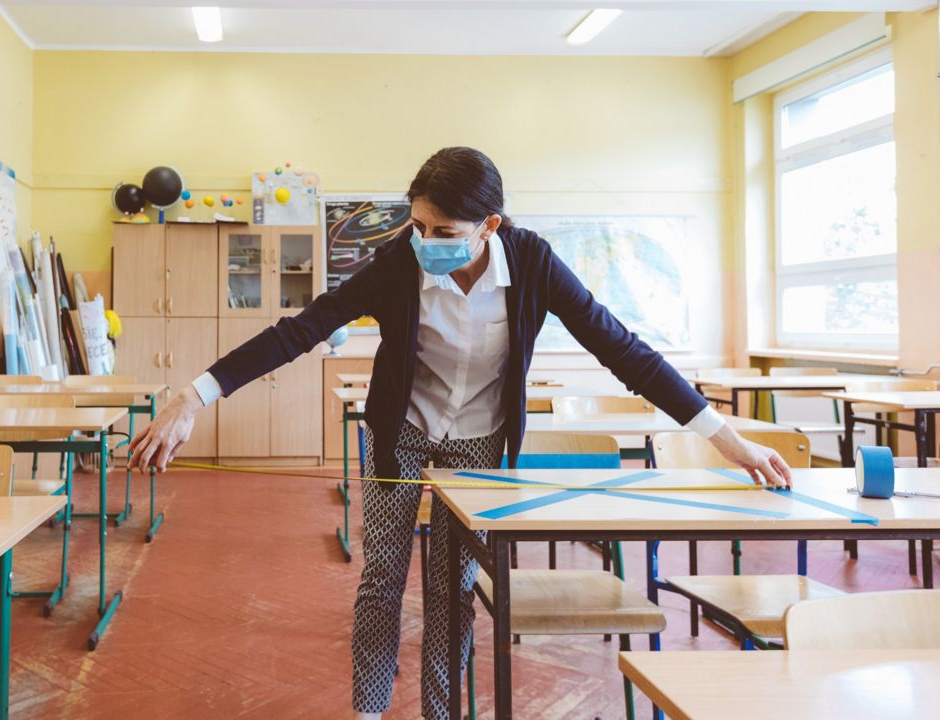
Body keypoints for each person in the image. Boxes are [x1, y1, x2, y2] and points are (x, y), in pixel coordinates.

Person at [129, 147, 792, 720]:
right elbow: (301, 329)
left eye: (443, 229)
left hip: (479, 440)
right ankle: (369, 707)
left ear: (490, 227)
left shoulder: (532, 263)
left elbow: (623, 349)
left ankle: (442, 712)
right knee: (382, 574)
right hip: (400, 432)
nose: (425, 240)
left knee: (452, 588)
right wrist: (195, 395)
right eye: (417, 225)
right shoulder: (399, 262)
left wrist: (725, 439)